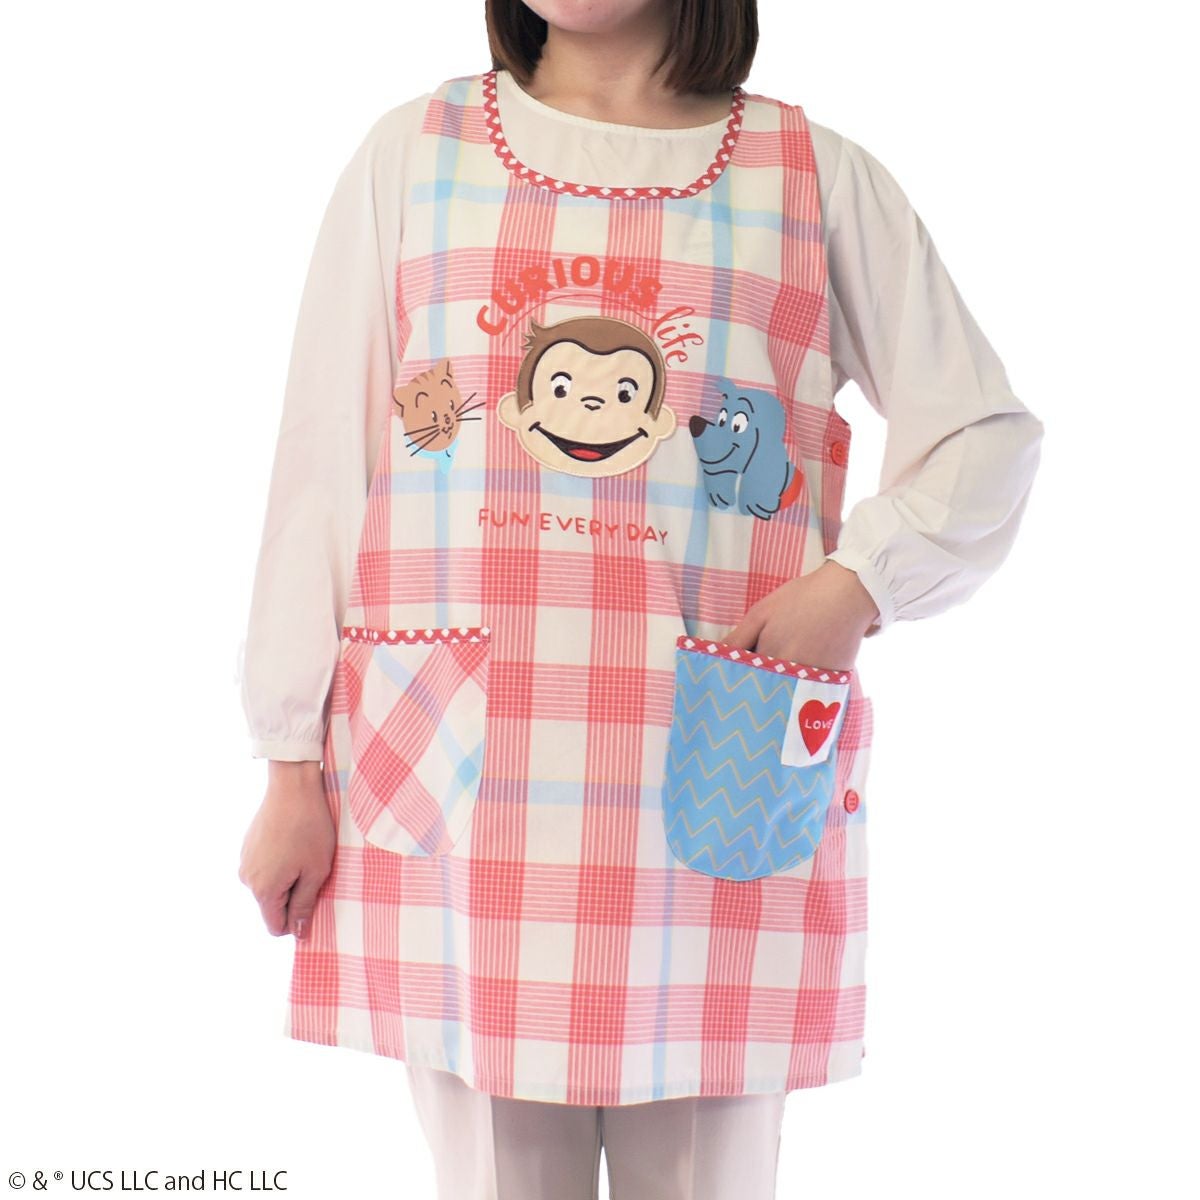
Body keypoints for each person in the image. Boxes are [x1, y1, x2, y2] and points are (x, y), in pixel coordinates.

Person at [236, 0, 1045, 1195]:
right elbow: (323, 469)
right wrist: (289, 763)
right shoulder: (414, 155)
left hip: (713, 783)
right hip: (467, 792)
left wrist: (855, 585)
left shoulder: (813, 179)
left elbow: (984, 436)